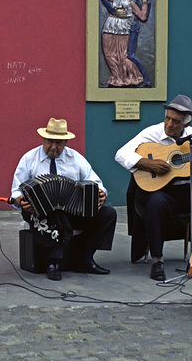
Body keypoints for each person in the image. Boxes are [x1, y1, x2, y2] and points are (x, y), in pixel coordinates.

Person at [115, 94, 192, 281]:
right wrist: (148, 164)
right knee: (155, 203)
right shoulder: (152, 133)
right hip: (165, 192)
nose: (170, 124)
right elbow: (121, 154)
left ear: (186, 124)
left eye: (176, 121)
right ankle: (157, 261)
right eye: (168, 118)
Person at [10, 118, 117, 281]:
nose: (54, 147)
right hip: (38, 212)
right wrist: (19, 201)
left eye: (59, 143)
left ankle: (86, 258)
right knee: (56, 216)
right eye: (50, 142)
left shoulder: (75, 158)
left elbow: (95, 182)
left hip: (72, 211)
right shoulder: (29, 159)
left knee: (108, 214)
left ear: (66, 142)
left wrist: (101, 192)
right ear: (43, 139)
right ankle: (52, 263)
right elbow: (16, 190)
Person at [99, 0, 150, 88]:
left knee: (122, 56)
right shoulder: (113, 0)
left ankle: (134, 78)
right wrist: (114, 11)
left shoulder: (130, 2)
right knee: (108, 55)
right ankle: (115, 78)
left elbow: (142, 16)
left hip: (122, 31)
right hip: (109, 28)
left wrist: (144, 1)